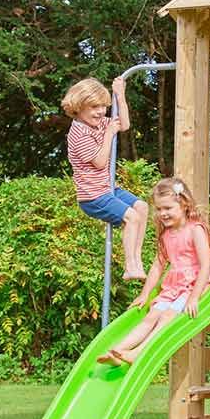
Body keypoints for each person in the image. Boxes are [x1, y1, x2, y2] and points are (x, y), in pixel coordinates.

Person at [97, 178, 210, 365]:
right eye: (159, 209)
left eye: (168, 208)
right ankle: (117, 351)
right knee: (151, 316)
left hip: (195, 284)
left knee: (167, 316)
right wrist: (144, 294)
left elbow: (205, 265)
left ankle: (138, 353)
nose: (163, 213)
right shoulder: (166, 234)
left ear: (184, 204)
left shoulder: (195, 230)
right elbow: (158, 266)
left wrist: (194, 298)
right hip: (175, 286)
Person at [61, 76, 148, 280]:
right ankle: (130, 266)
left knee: (142, 207)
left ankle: (136, 259)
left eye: (103, 106)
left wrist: (120, 95)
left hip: (108, 188)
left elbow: (124, 124)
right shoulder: (78, 133)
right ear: (78, 107)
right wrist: (109, 134)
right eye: (94, 107)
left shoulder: (99, 123)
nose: (100, 112)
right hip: (92, 196)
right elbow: (100, 162)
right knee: (132, 217)